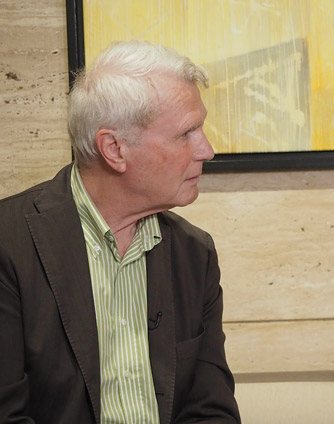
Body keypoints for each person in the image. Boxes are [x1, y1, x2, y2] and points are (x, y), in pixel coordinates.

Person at [0, 40, 241, 423]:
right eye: (186, 134)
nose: (207, 150)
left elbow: (211, 410)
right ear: (114, 149)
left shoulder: (196, 254)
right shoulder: (9, 244)